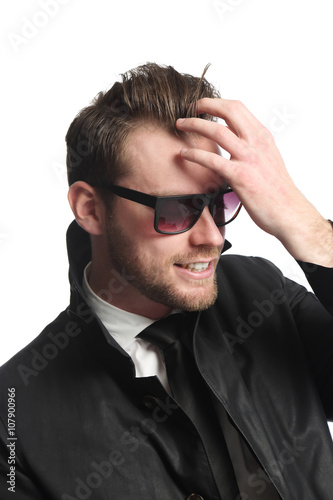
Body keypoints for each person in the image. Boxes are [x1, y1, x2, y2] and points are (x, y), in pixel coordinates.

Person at [0, 63, 332, 500]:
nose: (212, 237)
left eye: (221, 201)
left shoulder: (262, 292)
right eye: (176, 209)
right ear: (91, 209)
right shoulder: (14, 414)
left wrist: (307, 228)